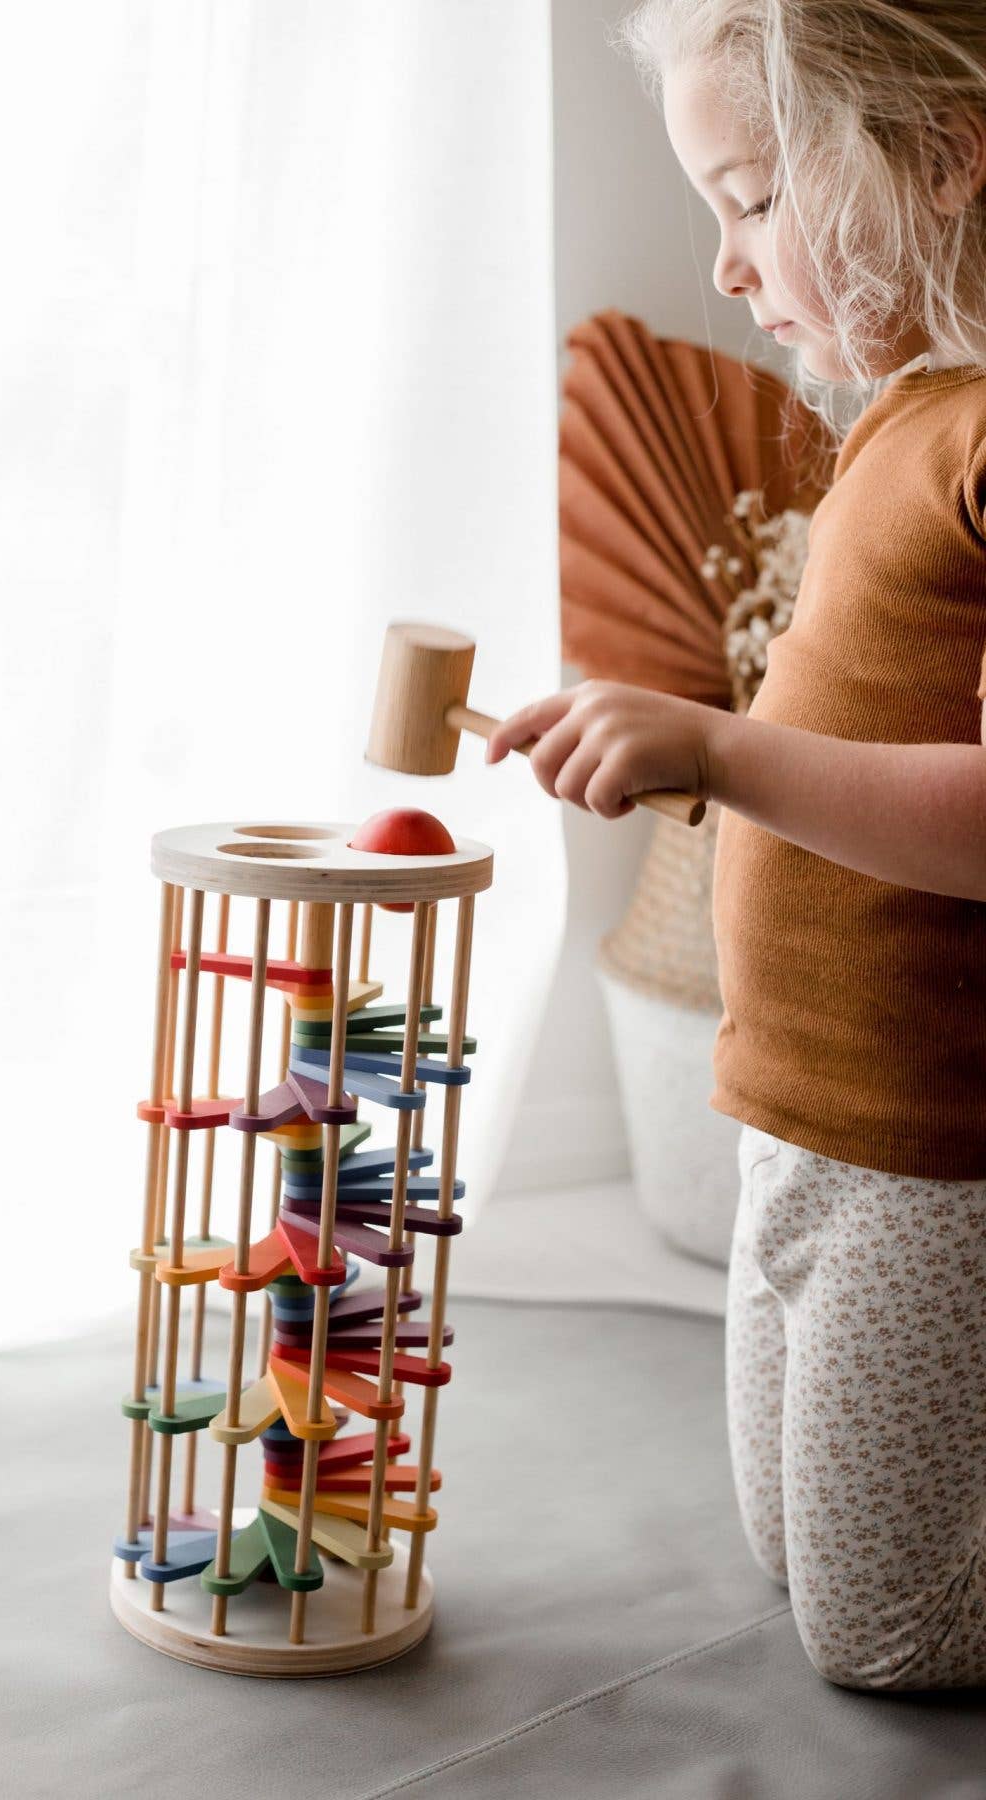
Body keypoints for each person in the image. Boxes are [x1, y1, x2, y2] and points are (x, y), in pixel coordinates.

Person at [485, 1, 986, 1691]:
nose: (726, 263)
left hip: (934, 1150)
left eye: (753, 196)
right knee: (798, 1556)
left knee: (890, 1635)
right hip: (797, 1112)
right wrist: (678, 746)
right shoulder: (901, 419)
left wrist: (721, 747)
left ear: (932, 164)